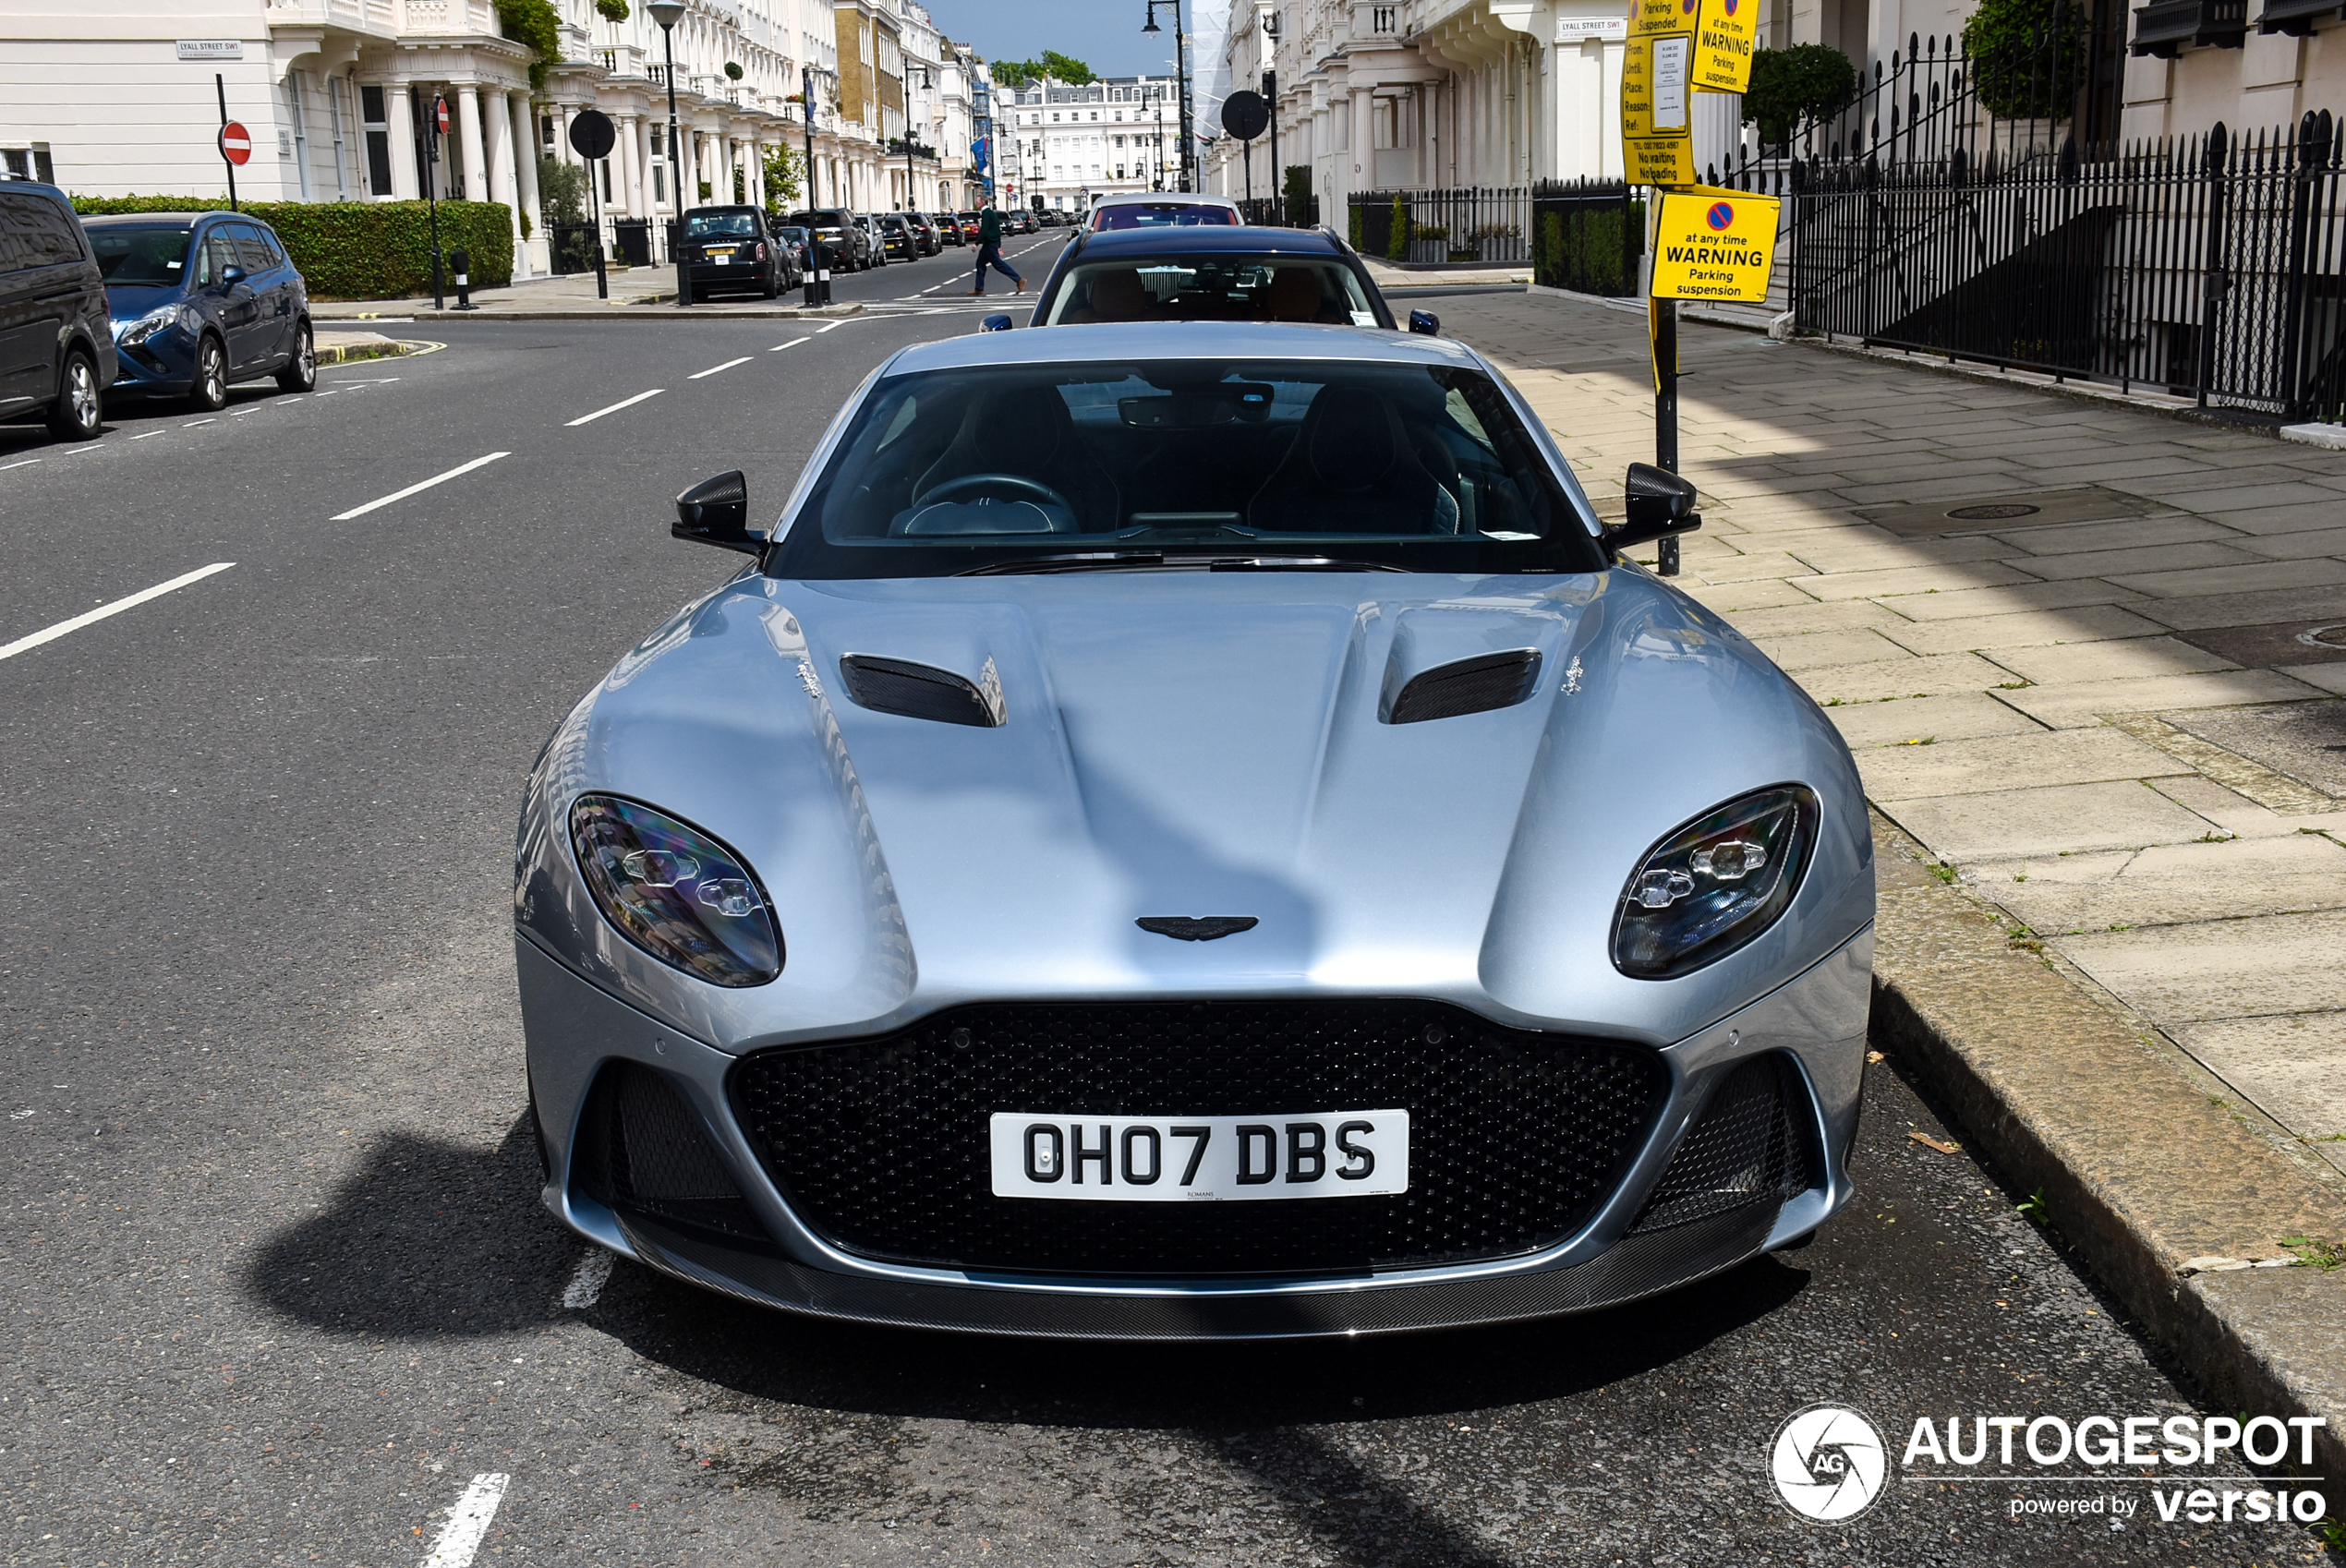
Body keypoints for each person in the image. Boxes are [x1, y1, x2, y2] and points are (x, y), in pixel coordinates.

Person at [970, 199, 1023, 296]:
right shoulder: (990, 213)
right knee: (980, 264)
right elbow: (997, 230)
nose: (976, 203)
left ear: (982, 203)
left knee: (998, 264)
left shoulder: (986, 213)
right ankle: (979, 288)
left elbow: (984, 229)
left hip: (990, 244)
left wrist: (976, 243)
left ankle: (1019, 280)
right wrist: (999, 245)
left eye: (977, 202)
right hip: (990, 243)